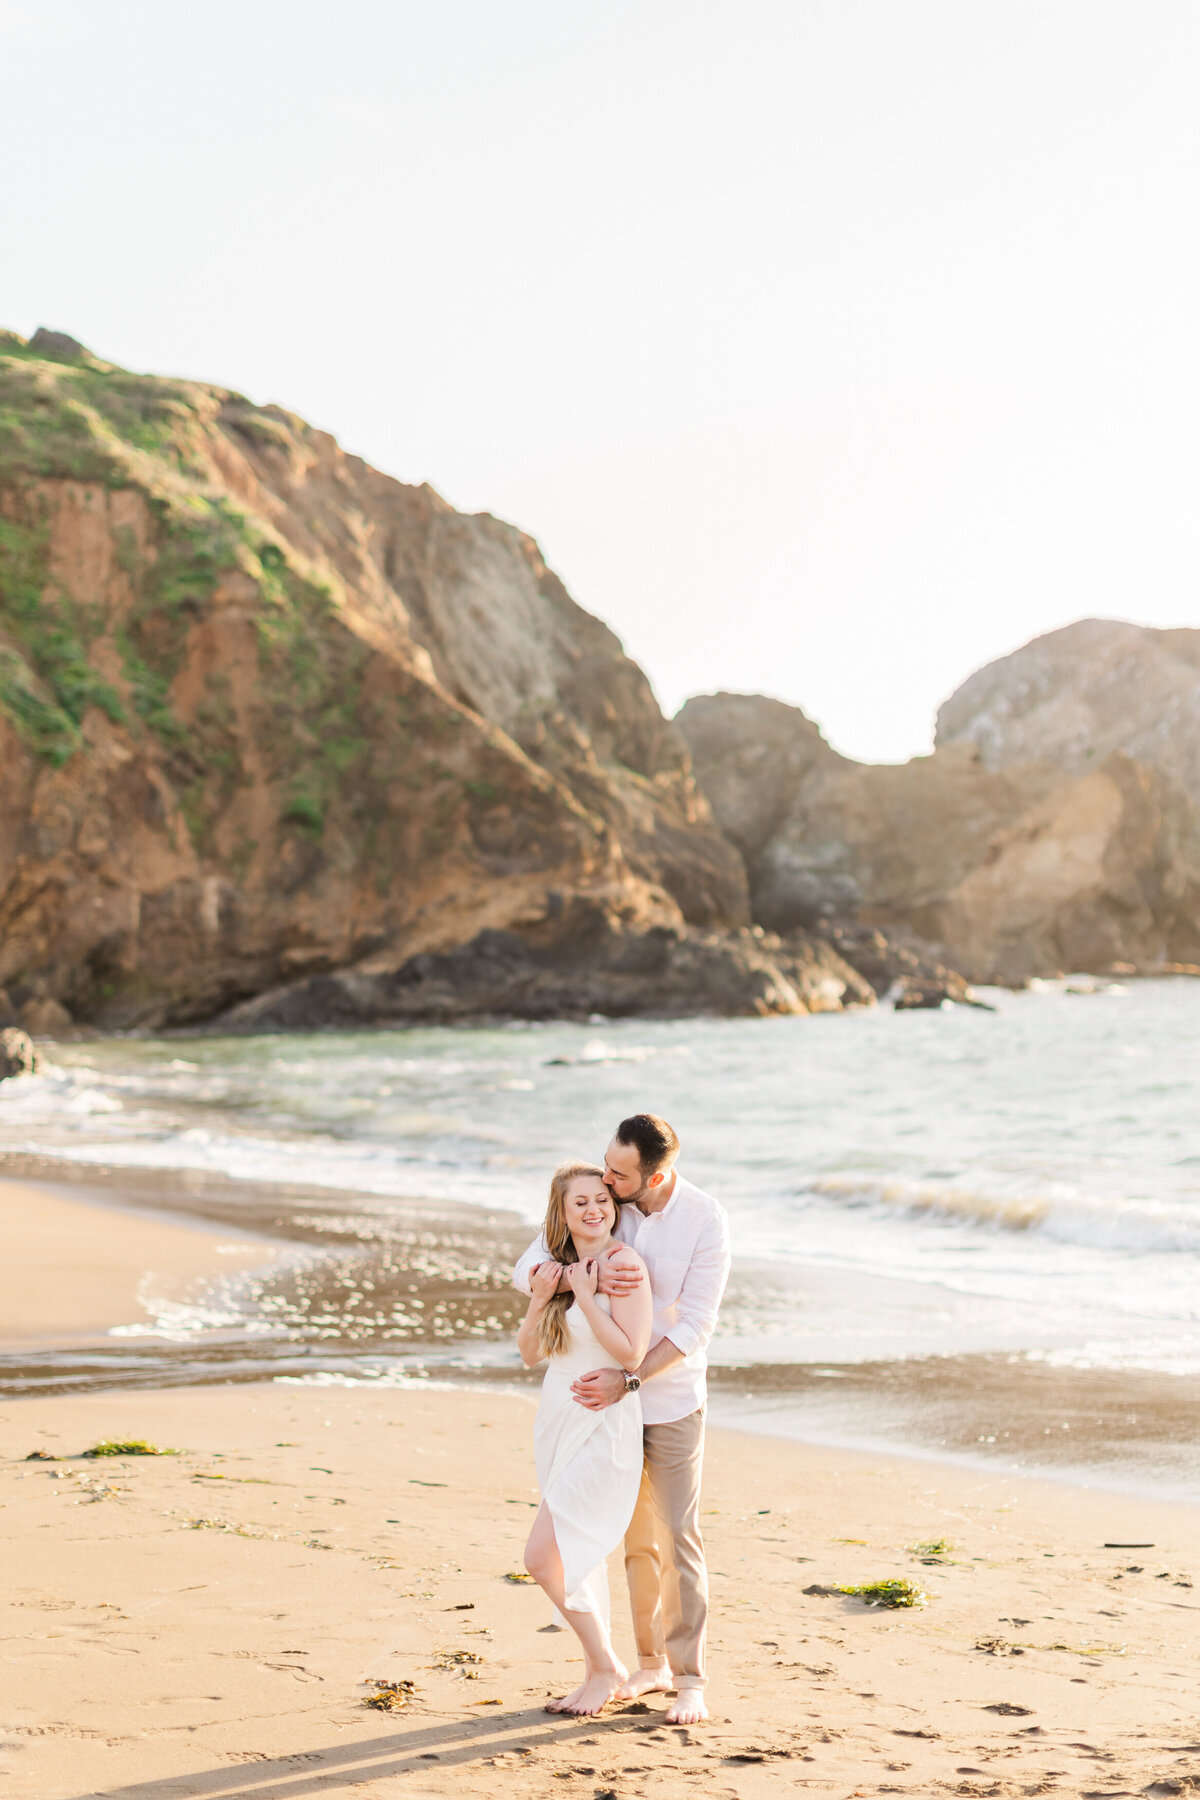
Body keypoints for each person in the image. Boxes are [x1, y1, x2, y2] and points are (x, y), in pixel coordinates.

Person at [514, 1114, 731, 1725]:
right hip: (601, 1404)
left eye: (618, 1173)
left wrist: (628, 1378)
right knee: (634, 1540)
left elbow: (694, 1327)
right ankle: (648, 1662)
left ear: (654, 1175)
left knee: (676, 1536)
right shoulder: (605, 1202)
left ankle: (691, 1679)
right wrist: (552, 1280)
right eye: (605, 1168)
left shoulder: (703, 1219)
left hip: (667, 1398)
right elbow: (530, 1261)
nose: (607, 1182)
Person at [517, 1161, 653, 1716]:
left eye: (603, 1199)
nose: (595, 1209)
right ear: (562, 1212)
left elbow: (630, 1353)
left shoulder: (624, 1265)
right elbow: (530, 1354)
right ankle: (600, 1668)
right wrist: (547, 1293)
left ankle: (605, 1665)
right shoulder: (555, 1267)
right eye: (581, 1203)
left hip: (603, 1422)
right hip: (557, 1418)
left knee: (544, 1558)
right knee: (565, 1556)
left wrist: (588, 1296)